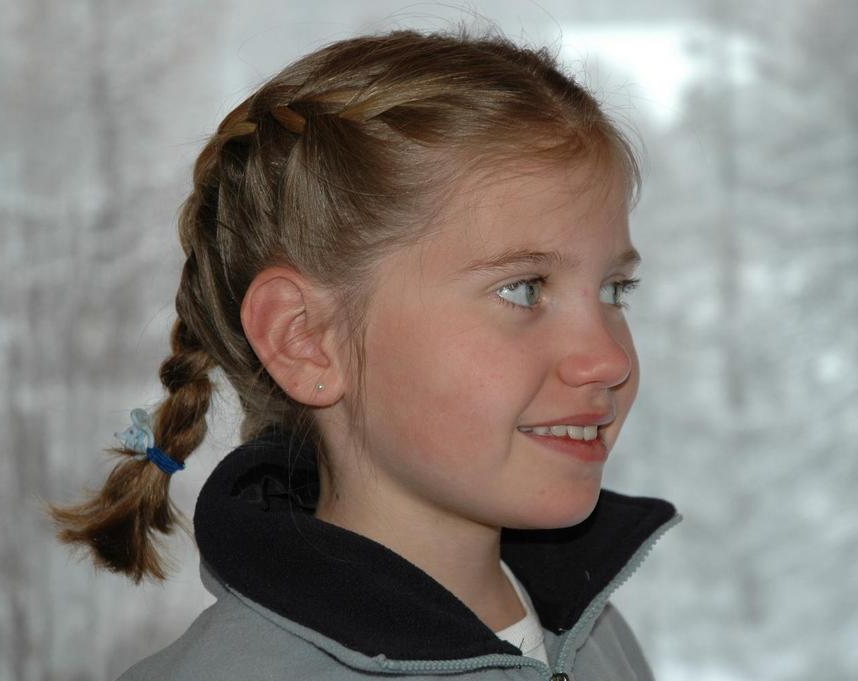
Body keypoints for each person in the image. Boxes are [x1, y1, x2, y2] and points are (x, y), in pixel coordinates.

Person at [49, 24, 682, 681]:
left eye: (614, 288)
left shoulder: (594, 633)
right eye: (523, 289)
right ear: (307, 339)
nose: (607, 359)